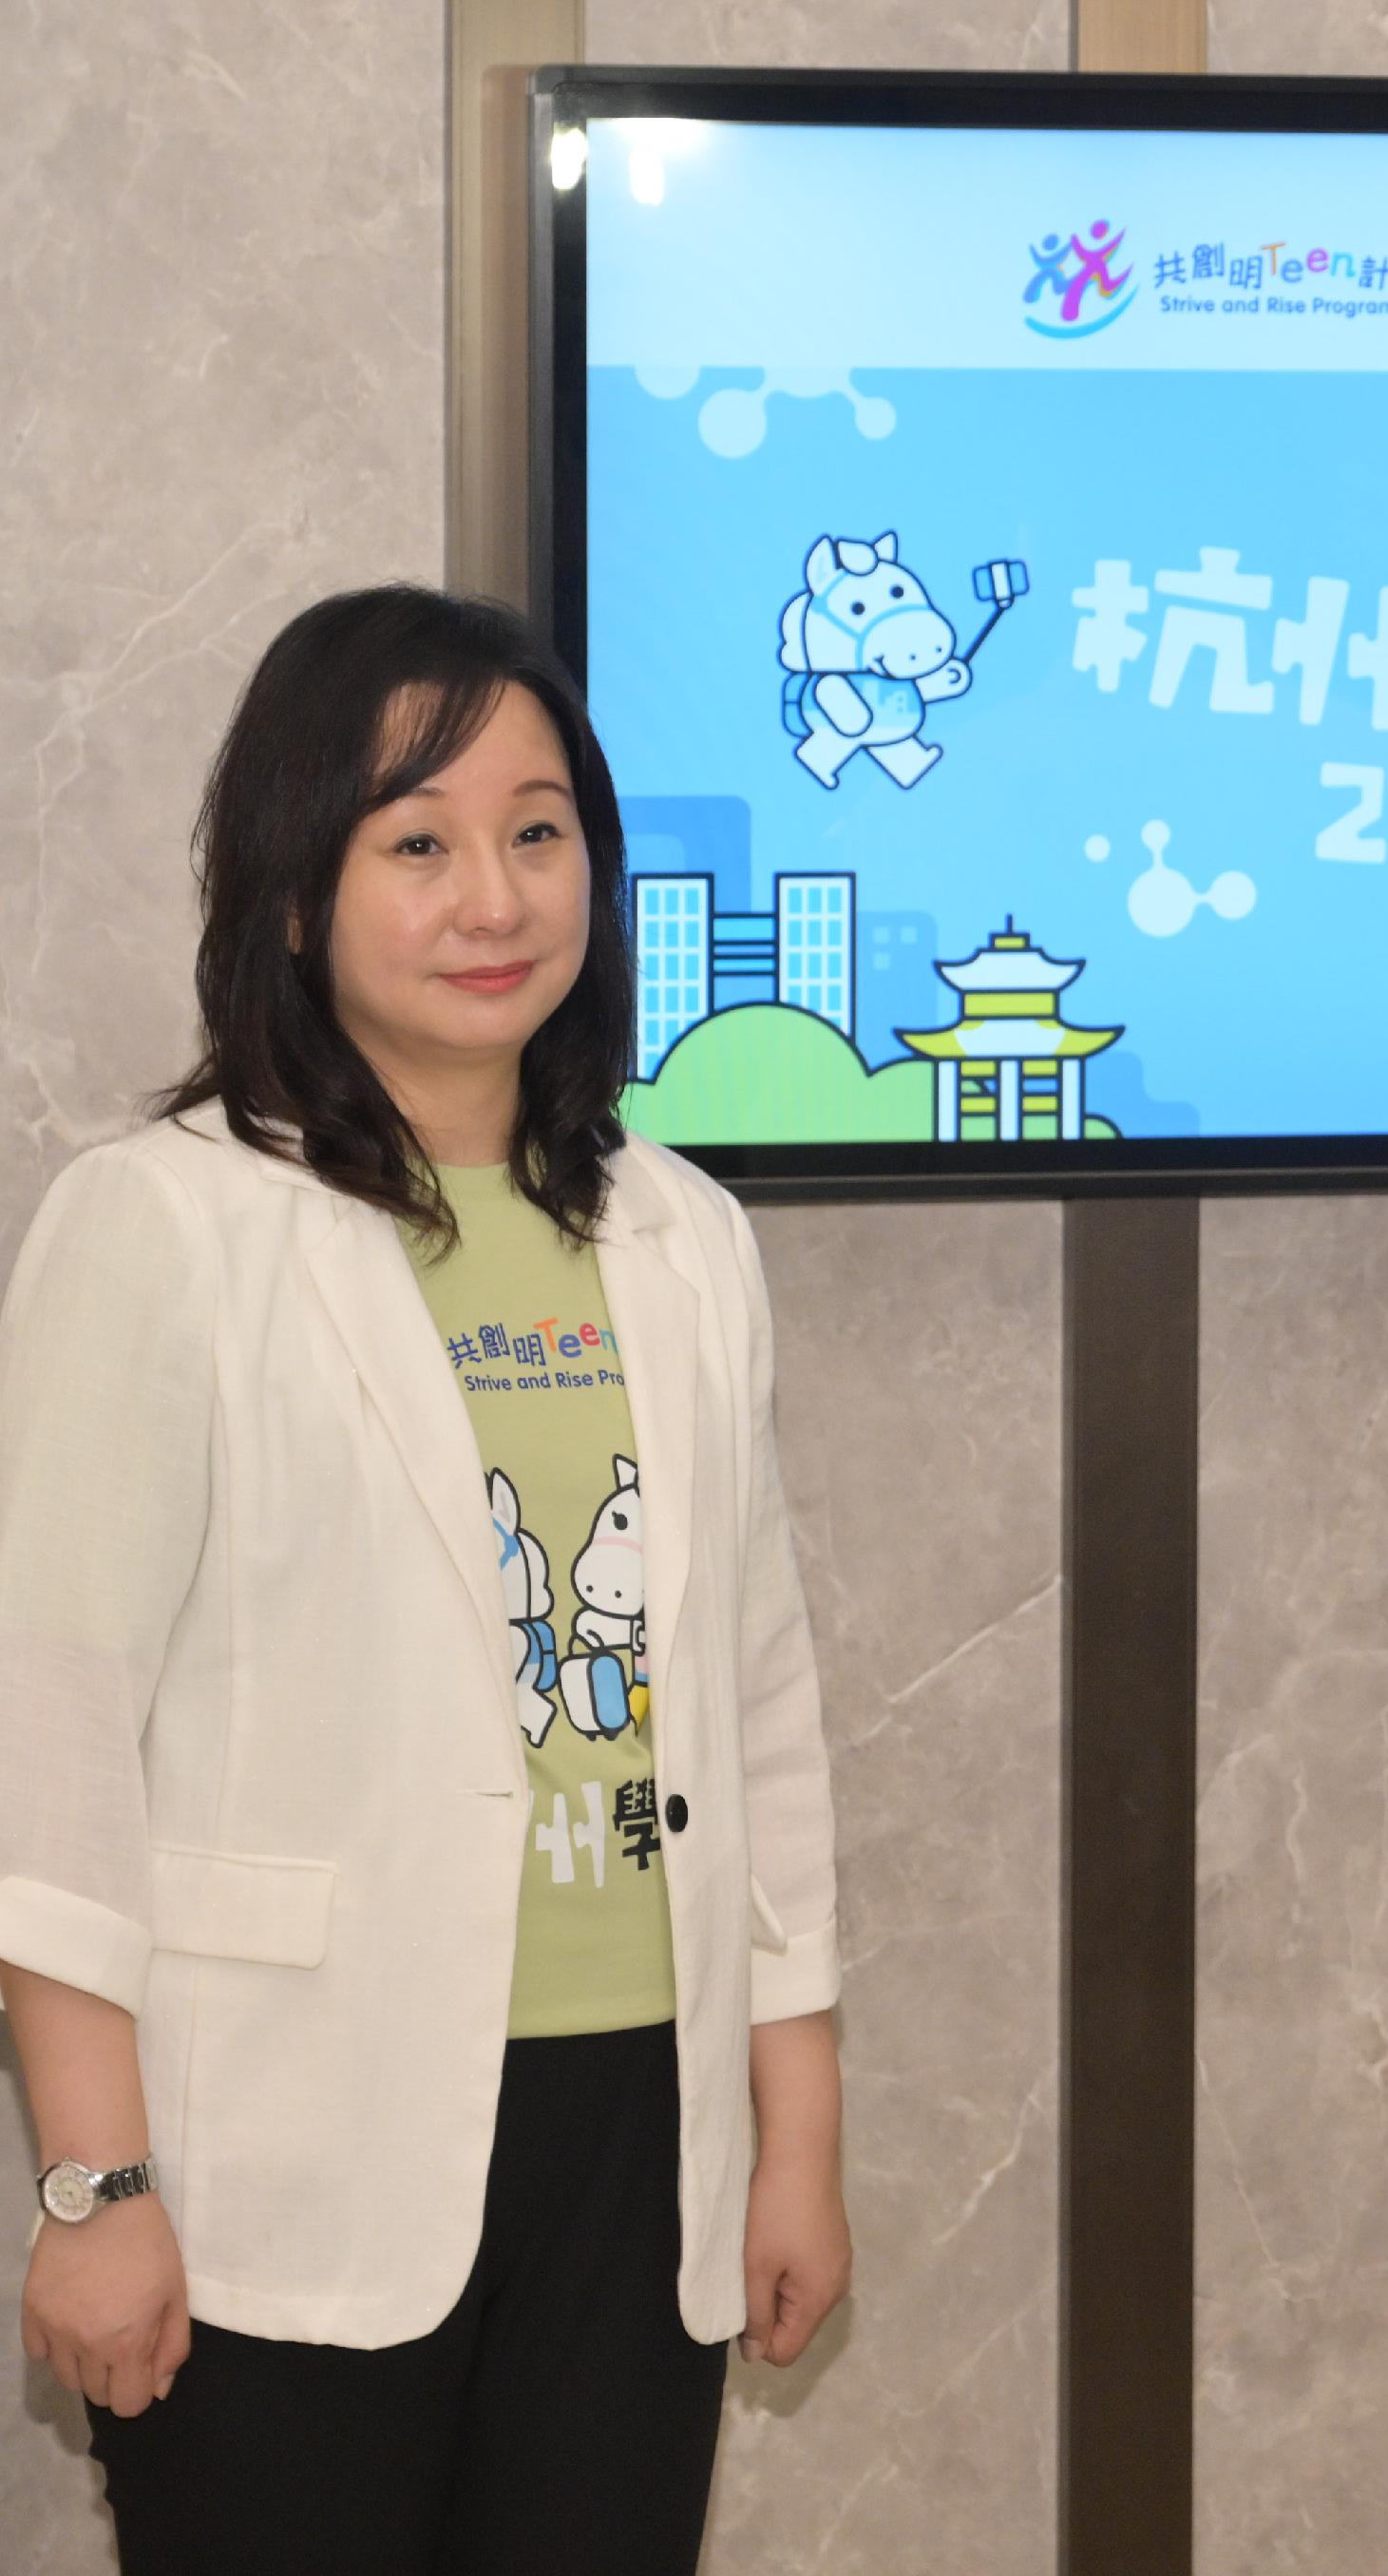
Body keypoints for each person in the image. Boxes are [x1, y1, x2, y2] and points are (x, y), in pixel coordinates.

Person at [0, 587, 850, 2573]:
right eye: (420, 841)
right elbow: (47, 1734)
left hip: (634, 2141)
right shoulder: (168, 1224)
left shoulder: (680, 1232)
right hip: (286, 2136)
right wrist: (90, 2178)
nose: (497, 894)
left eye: (539, 830)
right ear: (295, 894)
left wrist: (788, 2130)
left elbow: (760, 1696)